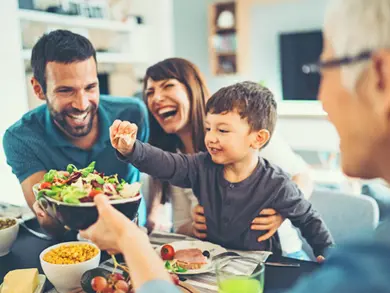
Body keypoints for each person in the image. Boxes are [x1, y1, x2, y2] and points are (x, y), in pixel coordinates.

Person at [110, 81, 333, 256]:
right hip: (215, 266)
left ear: (258, 138)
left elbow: (309, 219)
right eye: (209, 128)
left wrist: (326, 253)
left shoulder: (278, 183)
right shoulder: (200, 166)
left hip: (262, 269)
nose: (211, 138)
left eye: (223, 131)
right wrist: (132, 149)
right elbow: (167, 163)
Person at [143, 58, 313, 259]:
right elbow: (181, 227)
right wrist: (195, 226)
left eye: (167, 86)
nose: (156, 98)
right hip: (227, 261)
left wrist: (282, 213)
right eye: (149, 93)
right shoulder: (175, 158)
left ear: (192, 89)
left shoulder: (243, 132)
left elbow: (304, 175)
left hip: (282, 256)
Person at [2, 30, 149, 237]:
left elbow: (157, 165)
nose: (82, 104)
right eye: (65, 90)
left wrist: (157, 212)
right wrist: (47, 213)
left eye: (90, 87)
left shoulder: (133, 114)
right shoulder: (21, 138)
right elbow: (51, 223)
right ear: (39, 89)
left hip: (133, 237)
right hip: (70, 247)